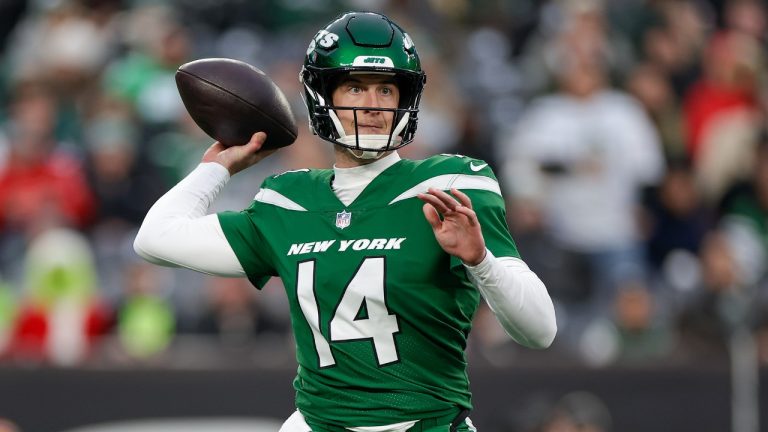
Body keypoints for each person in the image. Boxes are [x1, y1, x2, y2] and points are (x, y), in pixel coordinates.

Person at [134, 12, 556, 432]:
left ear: (404, 99)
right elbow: (155, 238)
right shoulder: (288, 201)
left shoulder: (448, 185)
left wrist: (481, 260)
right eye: (355, 87)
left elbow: (540, 331)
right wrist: (218, 167)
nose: (372, 106)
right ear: (323, 96)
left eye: (386, 89)